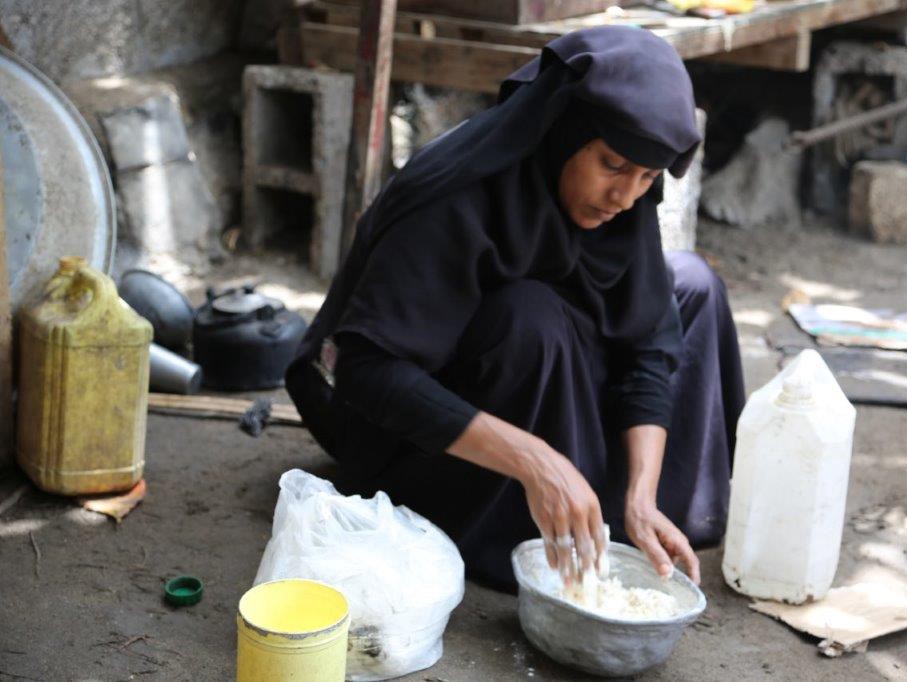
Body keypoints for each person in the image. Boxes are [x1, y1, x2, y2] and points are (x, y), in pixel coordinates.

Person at [286, 25, 745, 592]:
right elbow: (366, 371)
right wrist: (534, 461)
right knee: (532, 316)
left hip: (540, 389)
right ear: (563, 129)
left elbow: (649, 344)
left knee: (694, 284)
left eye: (648, 176)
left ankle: (630, 516)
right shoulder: (458, 194)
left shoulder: (625, 203)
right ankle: (516, 528)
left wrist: (642, 493)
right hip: (411, 433)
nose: (625, 196)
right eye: (613, 166)